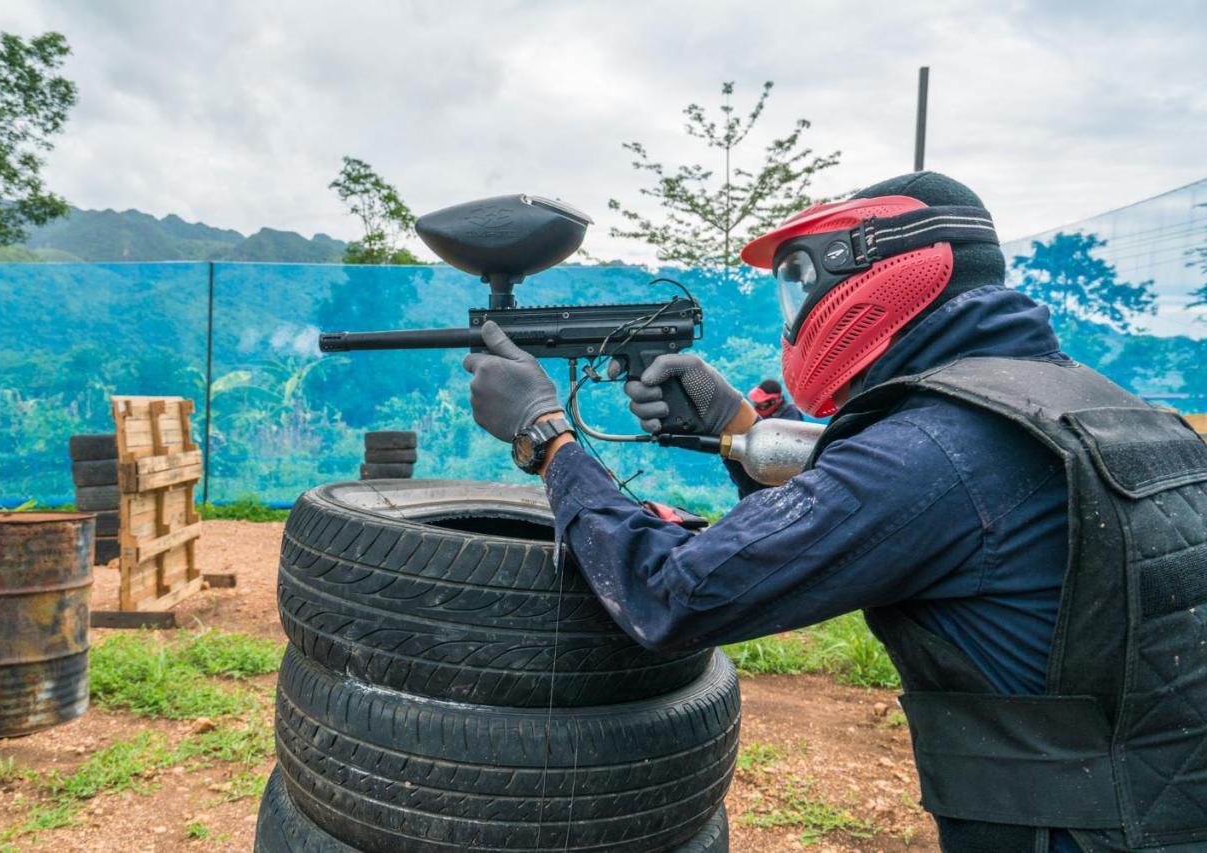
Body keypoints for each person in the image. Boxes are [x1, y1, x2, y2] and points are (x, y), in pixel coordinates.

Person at [462, 172, 1207, 852]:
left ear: (880, 274)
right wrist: (736, 431)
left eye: (797, 283)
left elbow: (673, 592)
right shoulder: (1097, 407)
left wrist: (545, 434)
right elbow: (894, 492)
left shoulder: (935, 450)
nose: (796, 314)